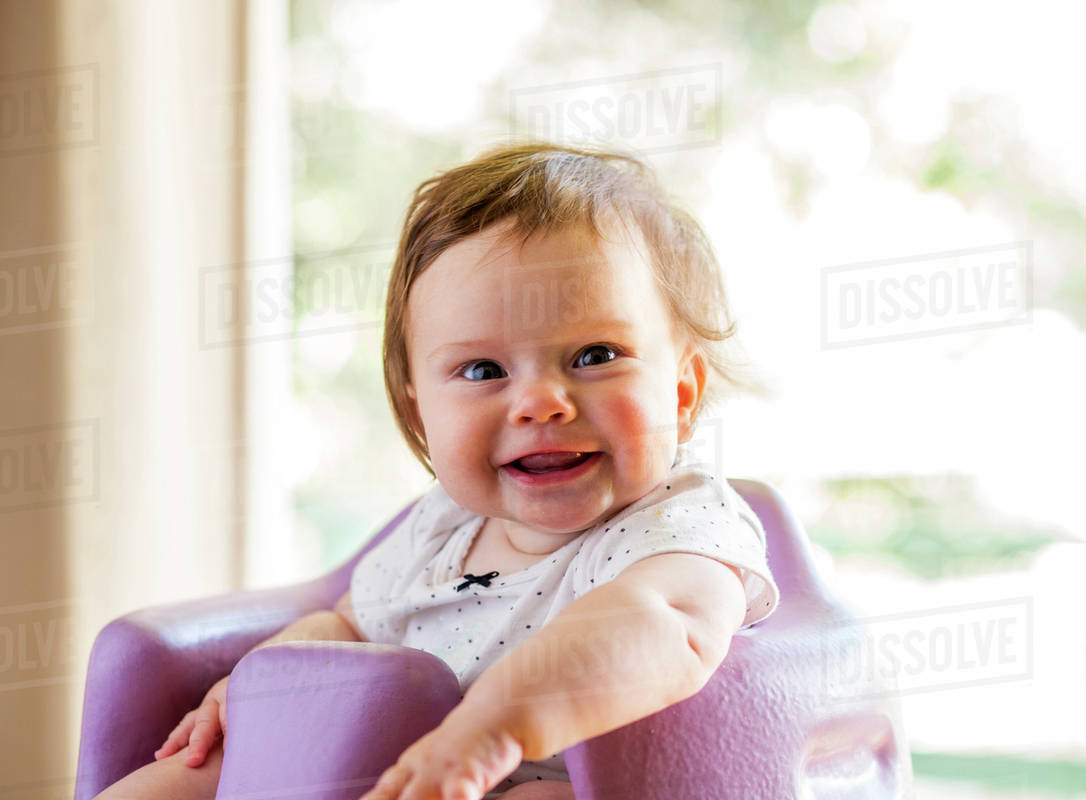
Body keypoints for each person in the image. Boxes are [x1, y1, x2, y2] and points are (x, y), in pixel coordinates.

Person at [96, 143, 780, 800]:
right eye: (483, 370)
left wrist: (489, 734)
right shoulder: (445, 525)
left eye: (595, 355)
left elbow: (662, 624)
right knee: (197, 773)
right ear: (418, 411)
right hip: (396, 772)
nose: (541, 402)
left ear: (682, 394)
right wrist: (254, 689)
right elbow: (349, 626)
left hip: (561, 778)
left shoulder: (682, 524)